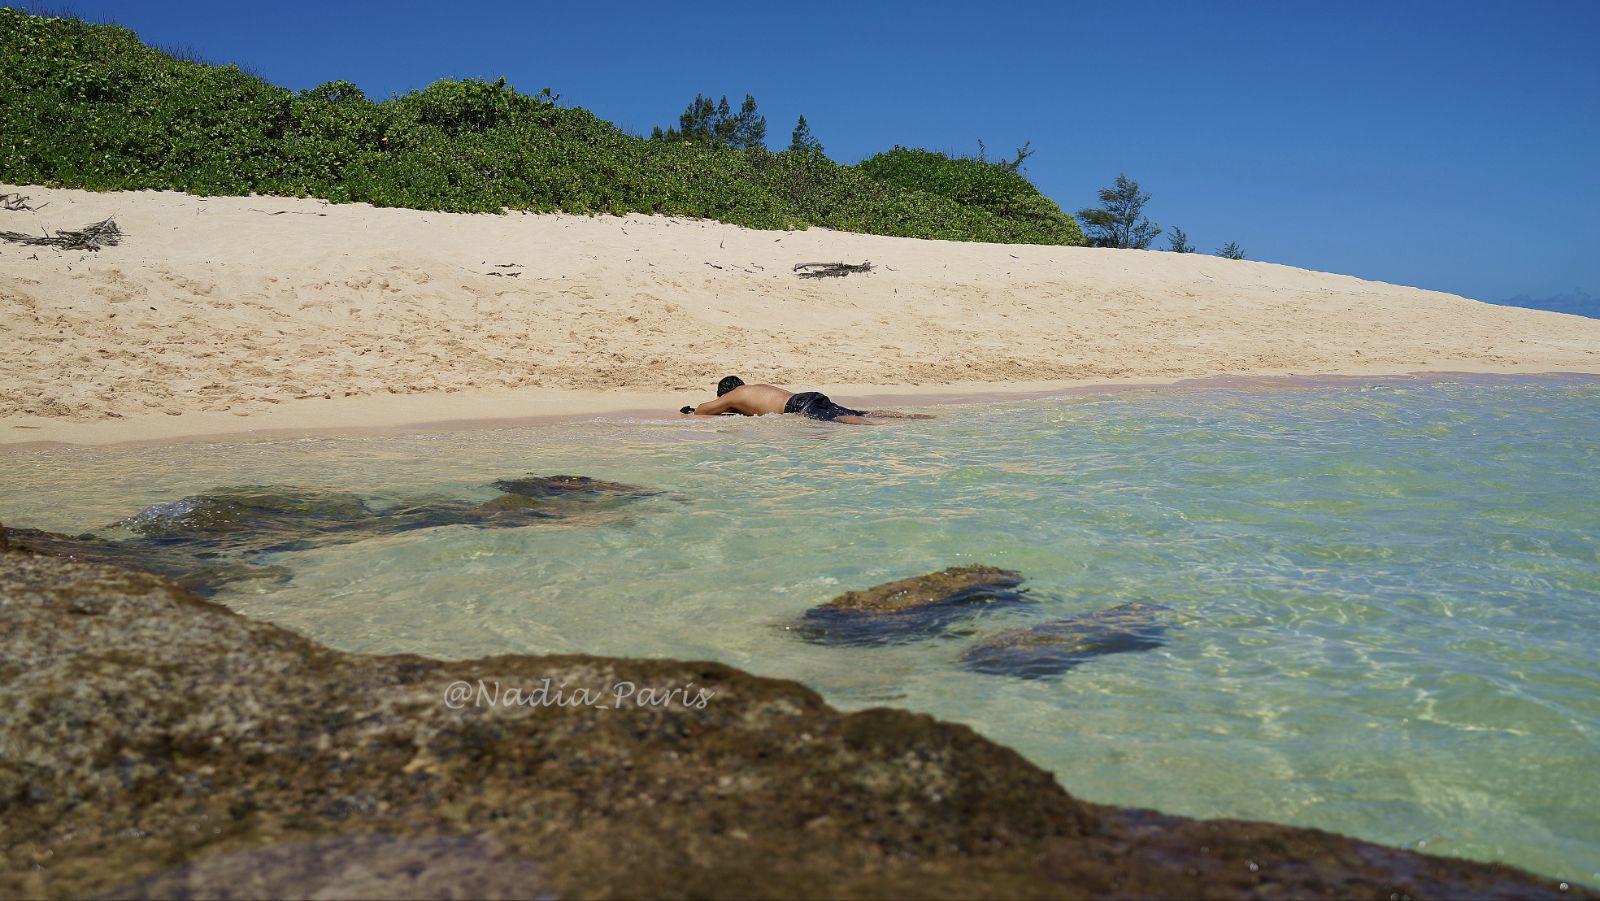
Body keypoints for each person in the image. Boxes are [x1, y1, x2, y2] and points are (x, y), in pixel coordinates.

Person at [679, 376, 885, 424]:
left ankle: (874, 427)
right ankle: (902, 417)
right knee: (854, 412)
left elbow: (702, 410)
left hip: (798, 405)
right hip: (806, 397)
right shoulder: (756, 388)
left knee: (840, 420)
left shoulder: (736, 394)